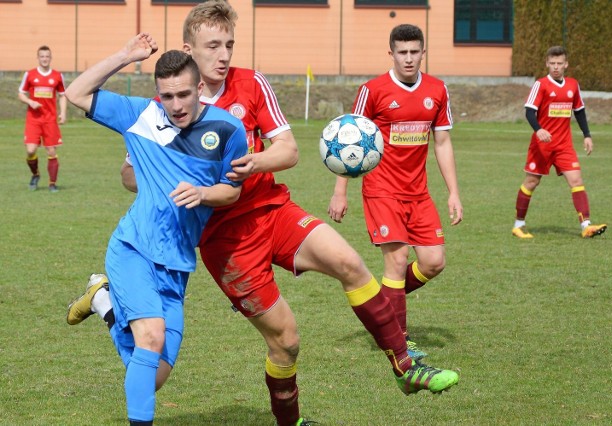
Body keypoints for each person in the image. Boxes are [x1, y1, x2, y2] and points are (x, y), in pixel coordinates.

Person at [66, 3, 459, 426]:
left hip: (272, 210)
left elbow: (288, 150)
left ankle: (404, 365)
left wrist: (255, 163)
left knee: (349, 261)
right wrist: (163, 178)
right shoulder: (161, 107)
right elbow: (131, 174)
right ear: (188, 51)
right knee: (285, 343)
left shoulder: (250, 86)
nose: (224, 55)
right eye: (213, 46)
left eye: (229, 45)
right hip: (225, 242)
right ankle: (288, 421)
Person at [64, 33, 248, 425]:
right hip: (133, 249)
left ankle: (103, 302)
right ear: (157, 93)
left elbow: (231, 193)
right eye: (167, 96)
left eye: (184, 94)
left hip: (177, 264)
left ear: (200, 87)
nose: (176, 105)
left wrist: (203, 193)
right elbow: (76, 92)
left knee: (153, 376)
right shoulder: (140, 115)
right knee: (149, 339)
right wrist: (125, 55)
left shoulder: (230, 130)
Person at [328, 24, 463, 363]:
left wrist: (453, 193)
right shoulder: (372, 90)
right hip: (381, 189)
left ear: (423, 53)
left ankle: (382, 308)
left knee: (433, 262)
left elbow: (443, 143)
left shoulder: (437, 90)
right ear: (391, 53)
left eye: (414, 52)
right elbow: (349, 142)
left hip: (419, 193)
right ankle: (397, 341)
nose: (408, 58)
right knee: (398, 259)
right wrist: (340, 192)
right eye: (401, 52)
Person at [511, 46, 607, 239]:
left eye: (559, 64)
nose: (555, 67)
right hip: (542, 145)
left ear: (566, 64)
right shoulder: (541, 85)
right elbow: (530, 111)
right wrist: (539, 130)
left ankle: (586, 225)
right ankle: (518, 224)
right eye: (552, 63)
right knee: (531, 182)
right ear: (547, 63)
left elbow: (579, 111)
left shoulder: (573, 85)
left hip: (564, 145)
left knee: (576, 181)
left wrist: (587, 135)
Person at [19, 45, 67, 192]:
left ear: (50, 58)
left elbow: (62, 95)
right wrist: (30, 102)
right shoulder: (30, 75)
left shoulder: (57, 76)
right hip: (33, 119)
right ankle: (35, 174)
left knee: (51, 151)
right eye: (42, 56)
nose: (45, 59)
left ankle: (52, 184)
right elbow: (21, 93)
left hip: (50, 119)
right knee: (30, 150)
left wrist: (63, 113)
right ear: (38, 58)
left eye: (47, 56)